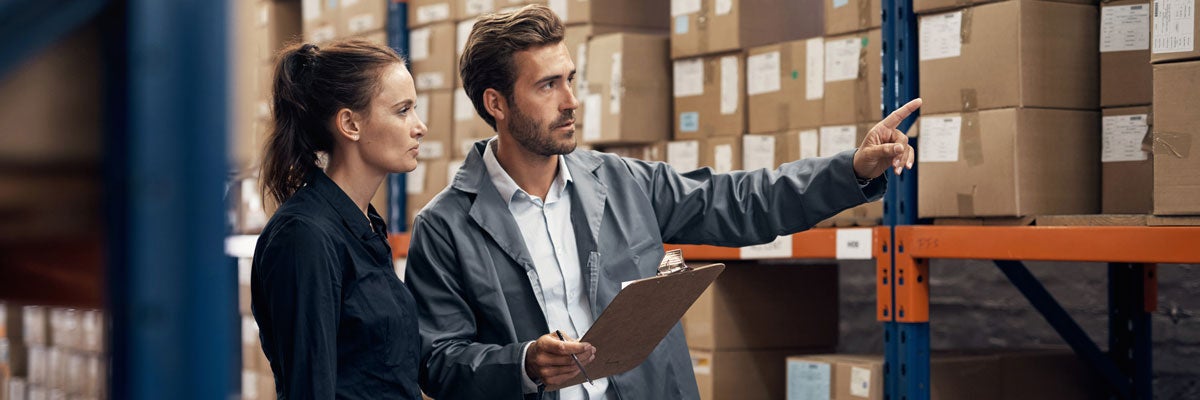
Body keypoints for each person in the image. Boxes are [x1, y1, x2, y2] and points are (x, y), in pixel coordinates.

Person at [405, 5, 918, 400]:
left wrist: (850, 170)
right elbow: (437, 360)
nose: (571, 101)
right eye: (547, 85)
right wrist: (522, 365)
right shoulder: (445, 226)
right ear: (496, 103)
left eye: (571, 80)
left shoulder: (623, 182)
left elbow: (742, 202)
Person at [251, 38, 426, 399]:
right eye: (402, 110)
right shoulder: (305, 236)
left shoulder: (364, 226)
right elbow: (311, 388)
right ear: (350, 124)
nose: (419, 126)